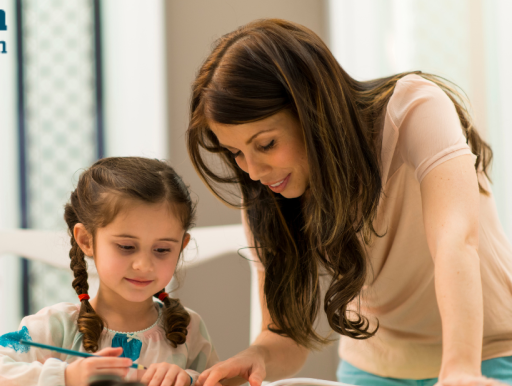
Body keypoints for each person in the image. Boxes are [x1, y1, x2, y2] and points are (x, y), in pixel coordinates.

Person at [185, 18, 512, 386]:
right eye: (236, 153)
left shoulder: (413, 108)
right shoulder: (265, 189)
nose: (253, 171)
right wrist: (256, 356)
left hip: (486, 355)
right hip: (371, 368)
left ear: (312, 110)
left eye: (266, 144)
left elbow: (456, 240)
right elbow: (285, 337)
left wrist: (460, 370)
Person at [0, 157, 219, 386]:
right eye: (126, 247)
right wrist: (66, 378)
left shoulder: (188, 329)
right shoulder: (56, 327)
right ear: (86, 240)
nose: (143, 265)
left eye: (162, 250)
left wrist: (189, 380)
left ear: (181, 246)